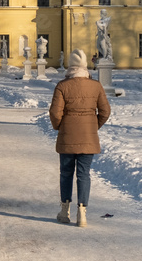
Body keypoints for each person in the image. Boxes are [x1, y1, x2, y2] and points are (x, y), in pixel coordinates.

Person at [48, 48, 111, 227]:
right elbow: (105, 111)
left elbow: (55, 112)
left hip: (67, 136)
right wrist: (93, 126)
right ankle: (82, 213)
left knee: (66, 173)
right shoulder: (96, 86)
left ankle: (64, 211)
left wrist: (60, 127)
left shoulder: (62, 86)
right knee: (84, 174)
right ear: (85, 65)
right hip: (88, 138)